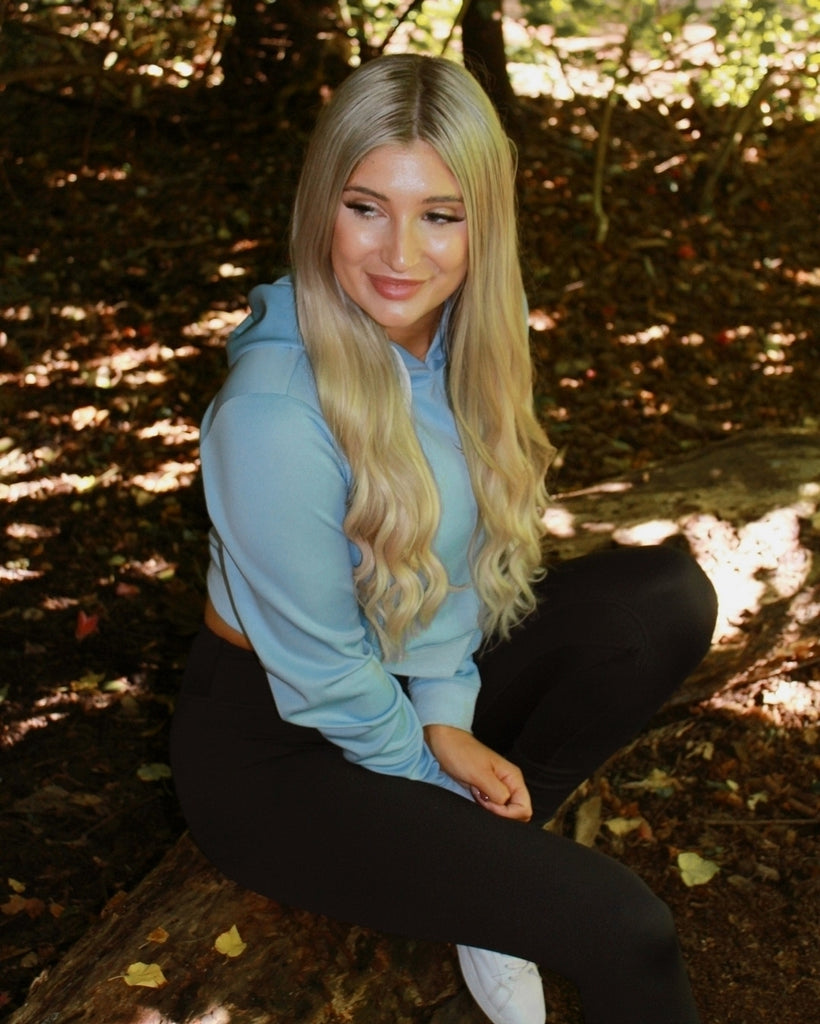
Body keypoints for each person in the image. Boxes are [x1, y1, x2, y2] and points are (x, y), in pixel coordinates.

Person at [170, 54, 718, 1024]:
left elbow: (452, 573)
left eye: (439, 215)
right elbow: (327, 676)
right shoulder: (269, 414)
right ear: (320, 208)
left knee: (661, 600)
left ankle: (480, 879)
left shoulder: (454, 336)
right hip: (282, 747)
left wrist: (450, 712)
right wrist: (437, 775)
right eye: (365, 206)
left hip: (403, 673)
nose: (400, 256)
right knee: (626, 928)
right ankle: (491, 882)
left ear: (481, 227)